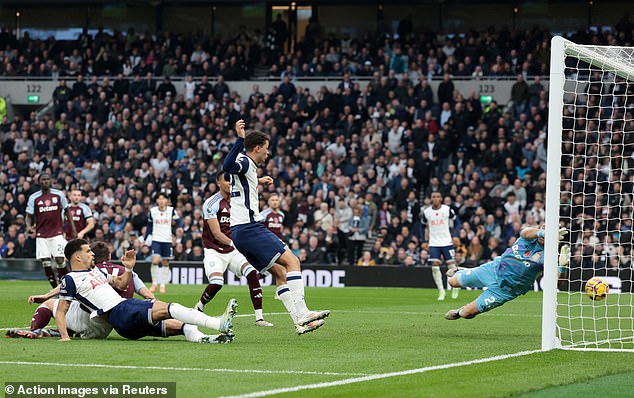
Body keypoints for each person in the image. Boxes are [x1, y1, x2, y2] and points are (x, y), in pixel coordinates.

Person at [223, 119, 329, 335]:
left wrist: (257, 181)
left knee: (280, 272)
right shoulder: (244, 160)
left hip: (241, 231)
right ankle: (304, 312)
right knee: (293, 261)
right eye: (267, 149)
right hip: (249, 227)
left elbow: (235, 179)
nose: (268, 154)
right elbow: (227, 167)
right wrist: (239, 140)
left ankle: (299, 323)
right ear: (258, 148)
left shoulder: (248, 167)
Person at [56, 239, 237, 343]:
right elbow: (61, 310)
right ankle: (217, 323)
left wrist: (128, 268)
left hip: (125, 325)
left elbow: (120, 285)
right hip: (119, 311)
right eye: (88, 251)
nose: (92, 253)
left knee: (178, 325)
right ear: (78, 257)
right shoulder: (71, 279)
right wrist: (64, 336)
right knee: (168, 308)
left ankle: (202, 337)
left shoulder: (94, 271)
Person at [6, 241, 155, 339]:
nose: (91, 254)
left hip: (95, 316)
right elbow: (144, 293)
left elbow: (67, 283)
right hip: (116, 320)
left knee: (53, 305)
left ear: (93, 257)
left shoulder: (92, 270)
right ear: (109, 256)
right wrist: (152, 304)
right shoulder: (123, 270)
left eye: (91, 251)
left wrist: (47, 296)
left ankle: (36, 330)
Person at [195, 169, 273, 327]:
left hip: (232, 250)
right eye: (226, 180)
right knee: (217, 283)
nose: (230, 183)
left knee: (252, 273)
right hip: (214, 251)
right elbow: (216, 234)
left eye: (232, 180)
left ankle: (259, 318)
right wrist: (235, 244)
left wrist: (260, 180)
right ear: (218, 183)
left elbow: (246, 185)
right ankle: (199, 306)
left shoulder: (236, 200)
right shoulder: (211, 204)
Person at [445, 226, 568, 320]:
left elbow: (557, 284)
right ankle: (466, 271)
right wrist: (545, 233)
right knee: (452, 282)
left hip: (505, 291)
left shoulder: (548, 256)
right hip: (492, 269)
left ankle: (459, 311)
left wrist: (562, 267)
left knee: (466, 314)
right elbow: (525, 232)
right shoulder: (528, 237)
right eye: (543, 228)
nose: (544, 233)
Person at [25, 173, 77, 288]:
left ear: (51, 181)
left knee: (59, 259)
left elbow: (67, 211)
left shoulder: (59, 195)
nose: (46, 181)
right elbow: (28, 216)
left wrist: (73, 229)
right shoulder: (34, 198)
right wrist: (28, 227)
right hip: (41, 234)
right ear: (39, 182)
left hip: (57, 233)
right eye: (43, 180)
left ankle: (67, 286)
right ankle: (55, 289)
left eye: (48, 179)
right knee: (46, 263)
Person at [421, 191, 458, 301]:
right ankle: (441, 291)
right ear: (431, 199)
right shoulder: (426, 212)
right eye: (434, 197)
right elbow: (422, 226)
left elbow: (457, 222)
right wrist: (424, 240)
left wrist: (455, 235)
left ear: (441, 199)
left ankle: (455, 287)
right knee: (435, 267)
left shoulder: (447, 209)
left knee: (451, 266)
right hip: (434, 243)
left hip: (447, 242)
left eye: (438, 196)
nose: (436, 199)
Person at [145, 192, 180, 293]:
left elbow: (178, 222)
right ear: (157, 201)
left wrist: (178, 229)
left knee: (165, 262)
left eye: (163, 199)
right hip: (156, 239)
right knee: (155, 261)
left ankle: (163, 285)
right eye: (159, 199)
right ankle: (154, 283)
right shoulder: (153, 211)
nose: (161, 201)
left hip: (167, 240)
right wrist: (146, 238)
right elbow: (149, 225)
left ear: (166, 201)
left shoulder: (171, 210)